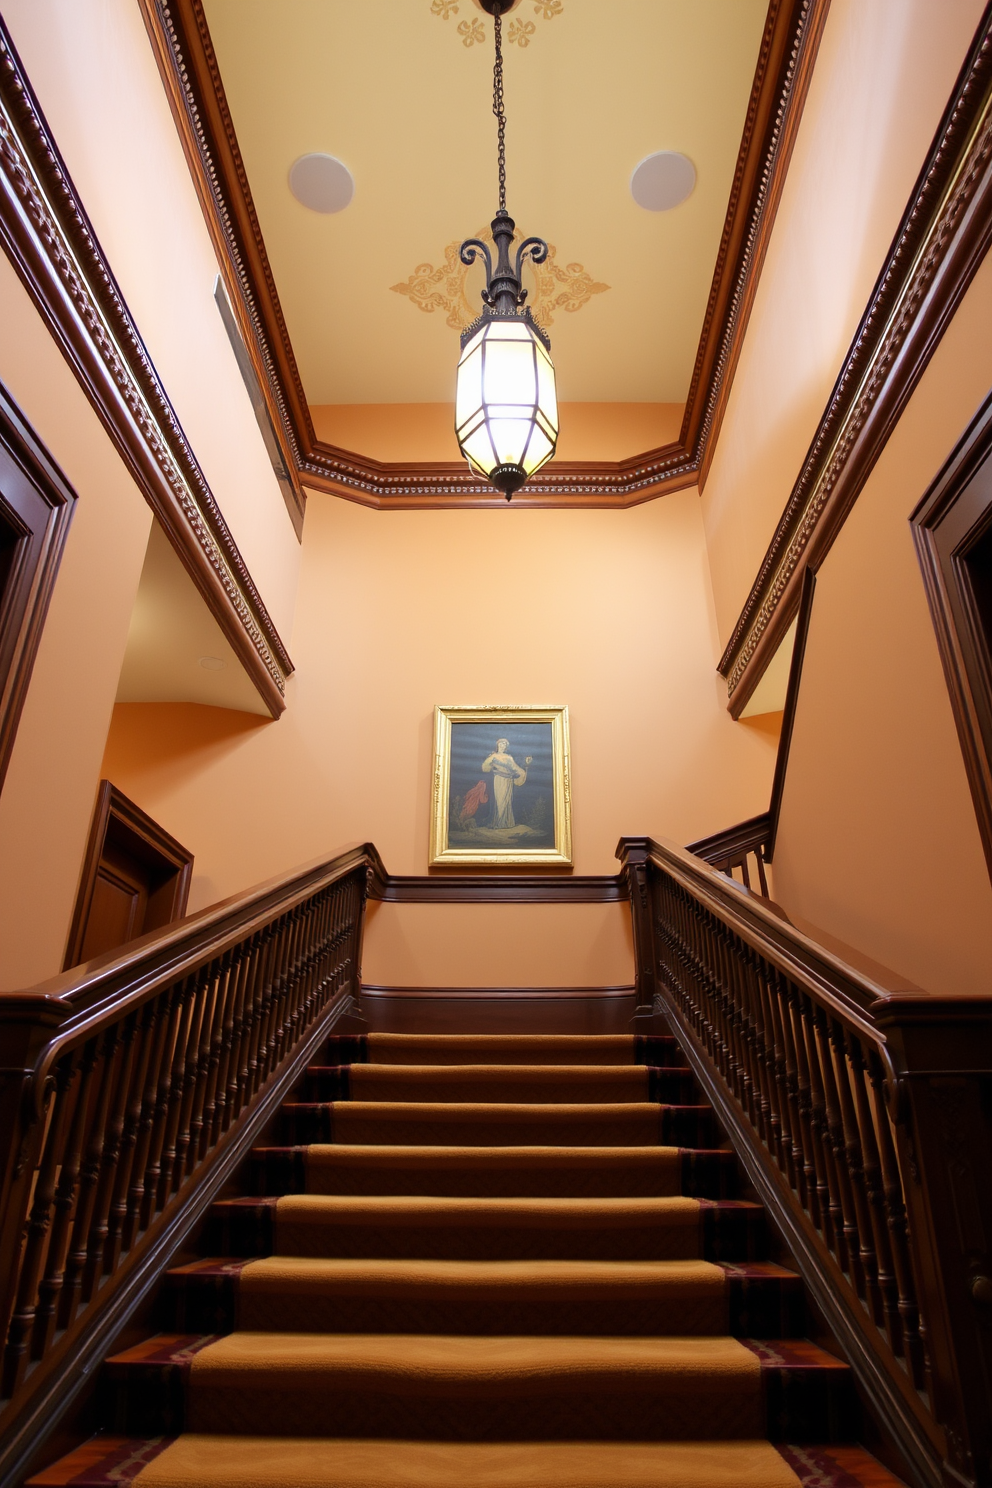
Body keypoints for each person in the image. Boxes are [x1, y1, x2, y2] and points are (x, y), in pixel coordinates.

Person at [481, 738, 532, 829]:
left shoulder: (509, 757)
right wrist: (490, 762)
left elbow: (516, 768)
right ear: (497, 745)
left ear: (506, 747)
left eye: (504, 744)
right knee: (500, 801)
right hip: (499, 780)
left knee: (506, 802)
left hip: (508, 781)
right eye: (501, 743)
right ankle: (499, 823)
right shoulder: (493, 756)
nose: (502, 745)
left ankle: (506, 823)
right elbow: (485, 768)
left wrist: (526, 765)